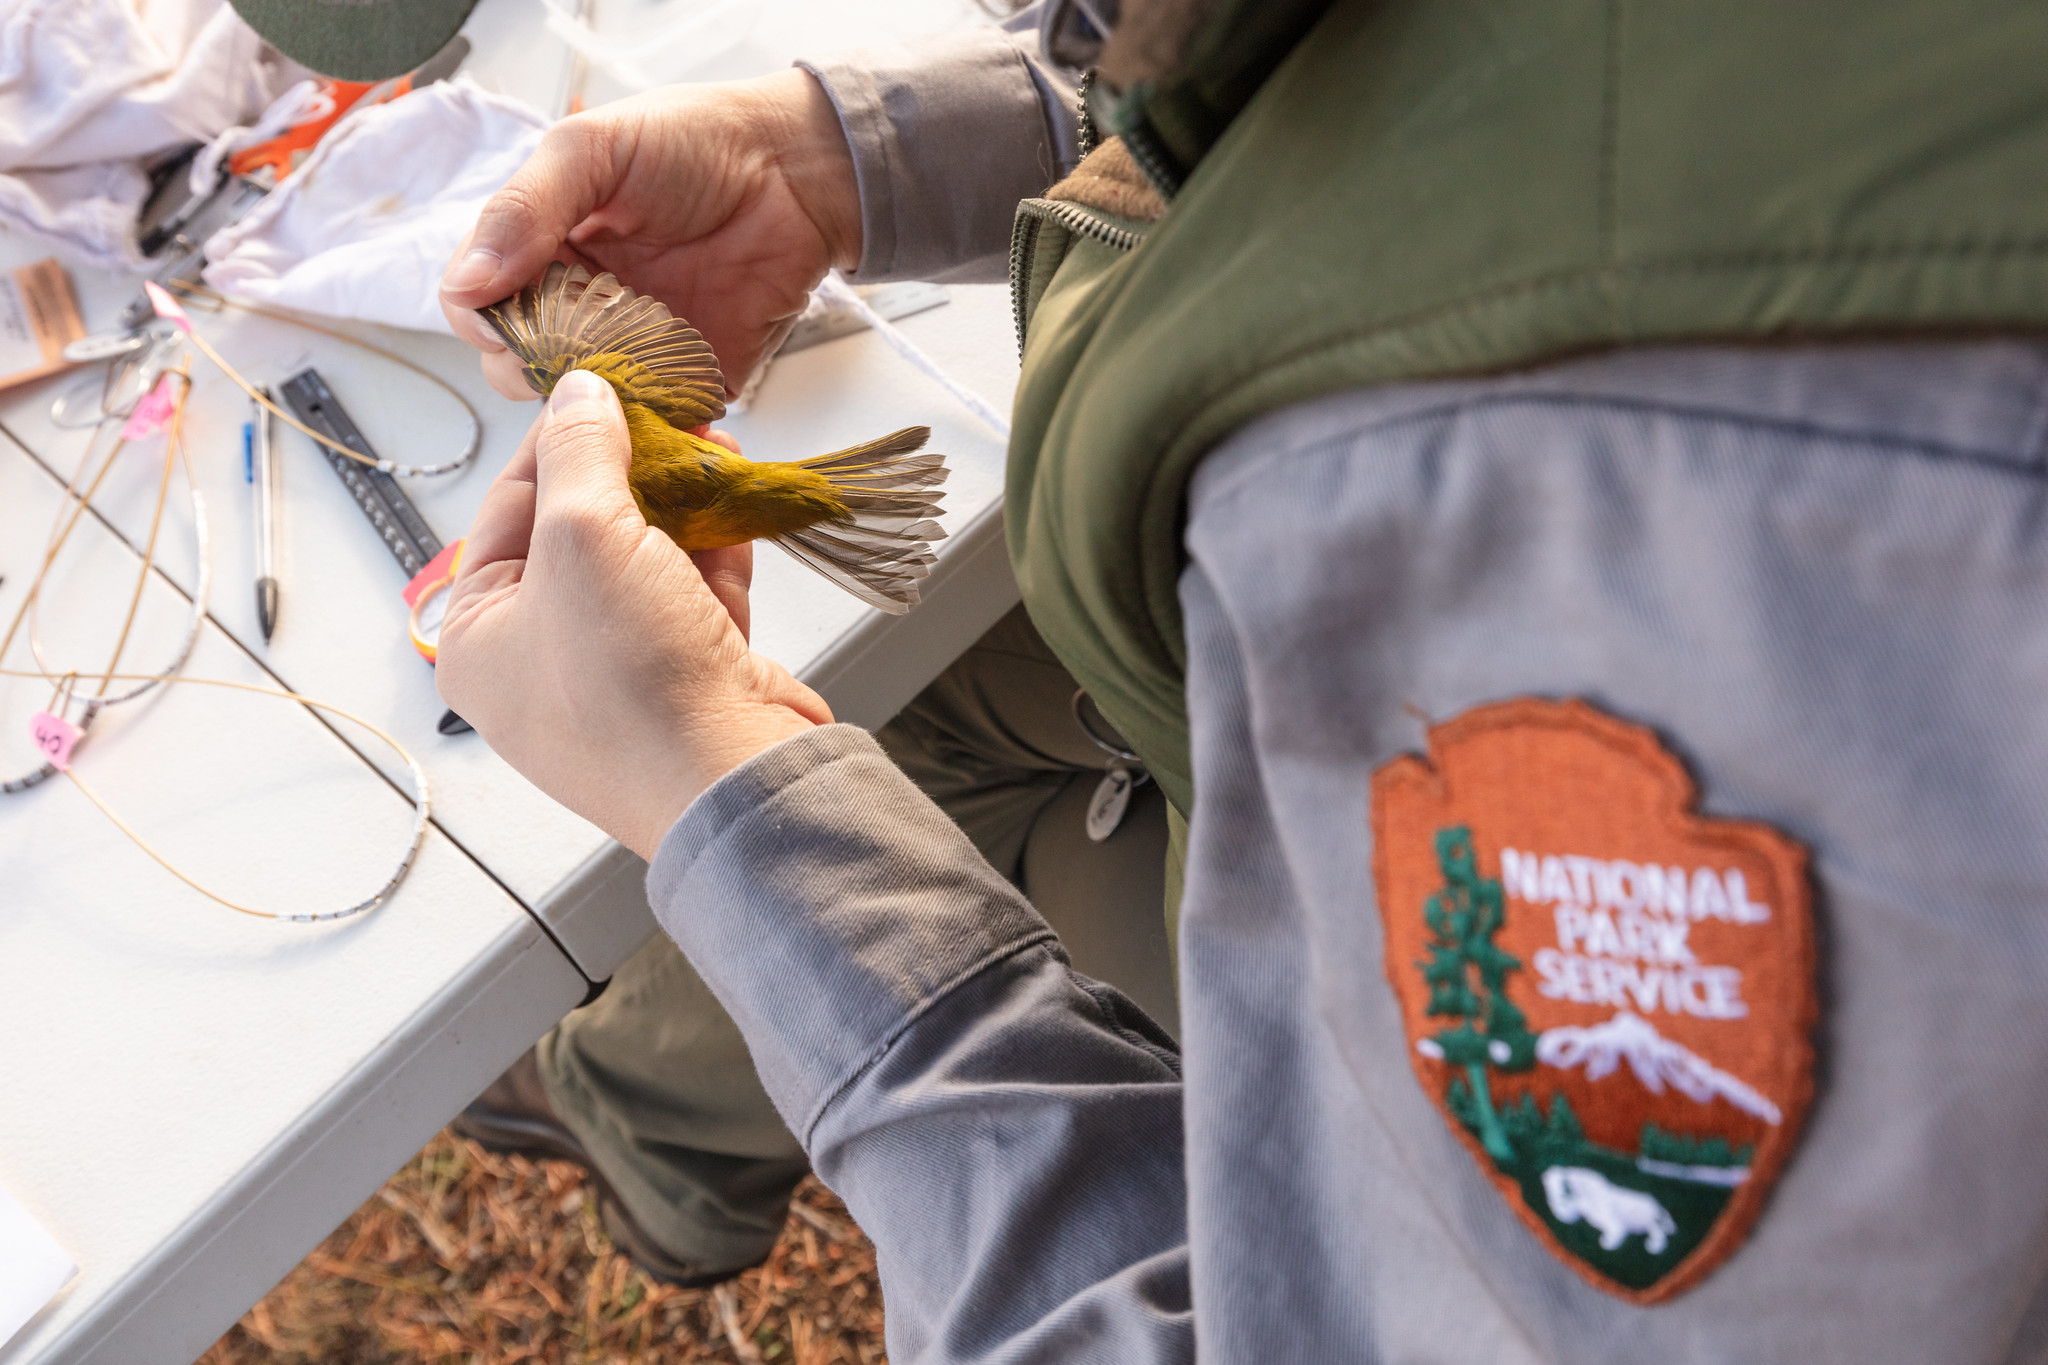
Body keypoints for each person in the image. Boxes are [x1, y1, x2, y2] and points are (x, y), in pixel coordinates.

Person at [428, 0, 2048, 1359]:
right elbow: (1394, 80)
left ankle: (641, 1116)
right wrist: (848, 164)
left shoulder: (1623, 486)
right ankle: (651, 1127)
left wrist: (716, 794)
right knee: (942, 710)